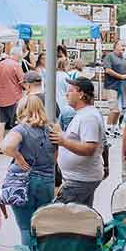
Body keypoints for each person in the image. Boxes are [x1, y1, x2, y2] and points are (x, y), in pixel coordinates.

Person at [2, 95, 56, 246]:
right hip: (46, 182)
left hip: (24, 182)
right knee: (42, 226)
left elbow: (6, 146)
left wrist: (18, 157)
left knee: (26, 227)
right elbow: (55, 158)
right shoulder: (50, 130)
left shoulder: (21, 129)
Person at [51, 77, 106, 206]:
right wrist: (62, 135)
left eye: (70, 91)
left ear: (81, 94)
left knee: (57, 216)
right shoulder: (84, 114)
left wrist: (63, 141)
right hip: (81, 178)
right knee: (82, 218)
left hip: (80, 180)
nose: (66, 94)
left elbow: (89, 148)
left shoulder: (88, 117)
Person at [0, 45, 25, 155]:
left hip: (1, 97)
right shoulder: (16, 65)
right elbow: (23, 82)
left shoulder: (0, 64)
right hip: (14, 98)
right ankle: (15, 145)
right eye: (20, 56)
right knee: (18, 122)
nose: (20, 58)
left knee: (1, 122)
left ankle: (0, 146)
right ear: (16, 55)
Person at [103, 40, 126, 138]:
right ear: (116, 46)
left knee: (119, 110)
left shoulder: (123, 59)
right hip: (111, 86)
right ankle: (107, 129)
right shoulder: (110, 56)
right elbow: (108, 70)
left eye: (125, 45)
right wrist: (121, 76)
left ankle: (114, 129)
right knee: (114, 109)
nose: (124, 47)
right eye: (122, 45)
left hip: (121, 87)